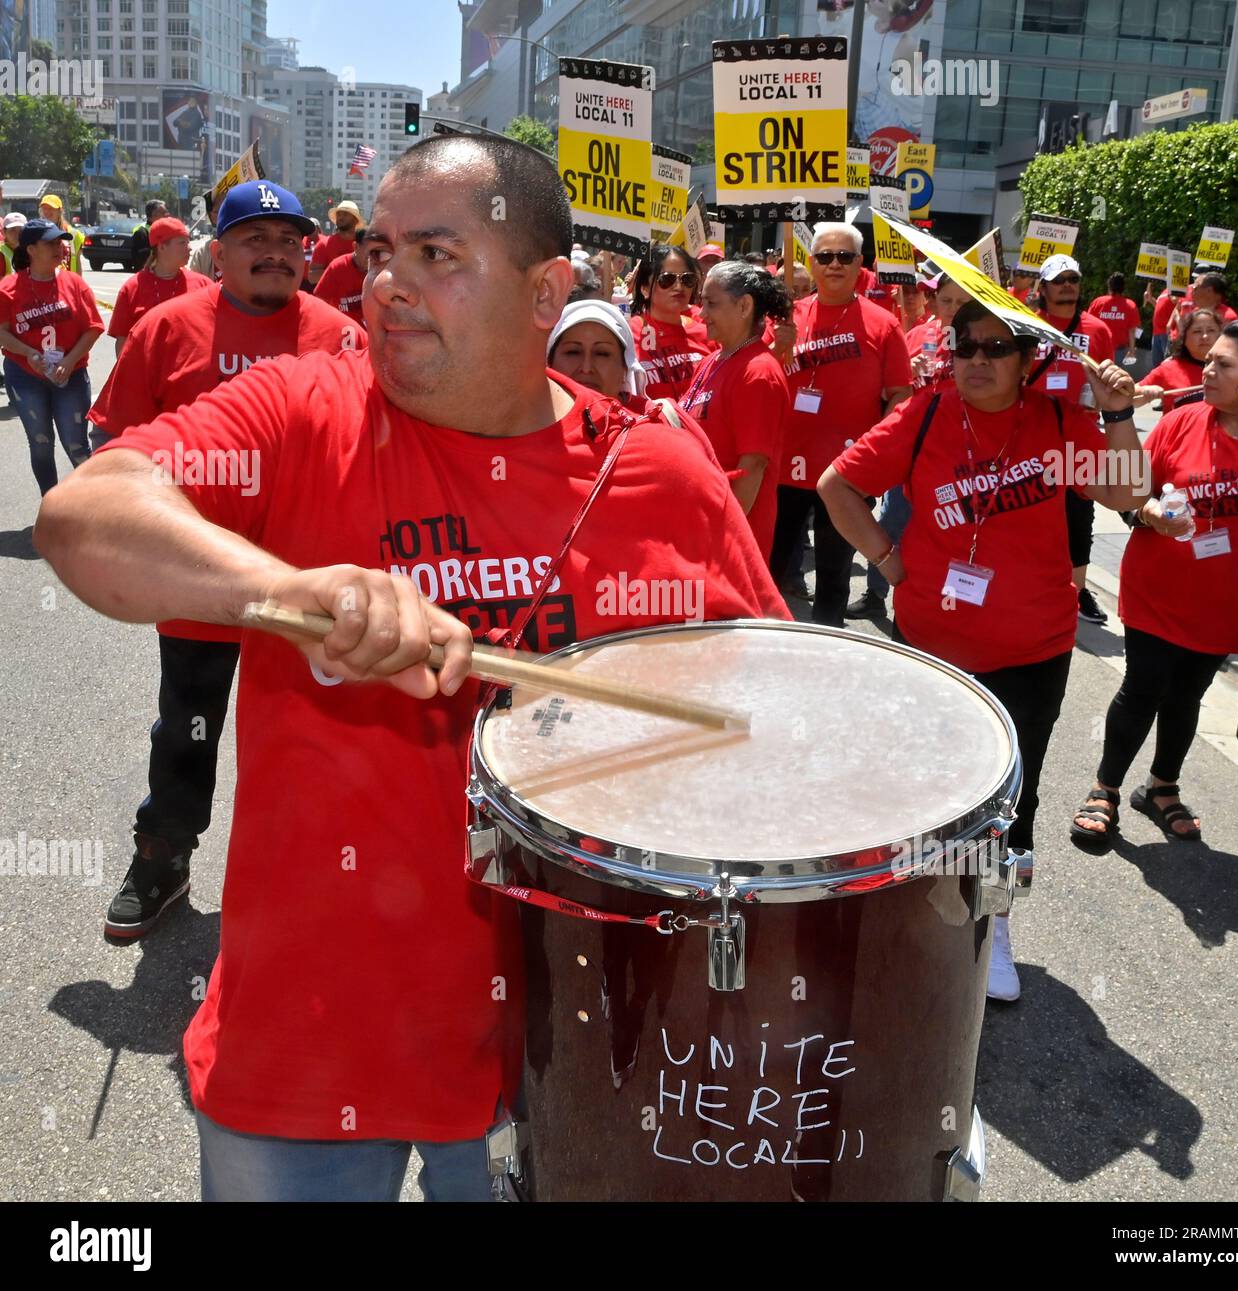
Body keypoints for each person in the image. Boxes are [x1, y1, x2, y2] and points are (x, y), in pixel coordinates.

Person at [34, 132, 785, 1202]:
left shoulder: (659, 467)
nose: (387, 286)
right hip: (310, 1044)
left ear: (547, 292)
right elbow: (84, 519)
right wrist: (294, 593)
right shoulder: (301, 411)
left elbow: (764, 726)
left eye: (437, 254)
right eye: (381, 251)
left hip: (576, 1053)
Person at [818, 300, 1146, 1001]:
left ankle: (988, 924)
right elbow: (837, 484)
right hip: (930, 649)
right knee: (917, 787)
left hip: (1033, 651)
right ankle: (907, 908)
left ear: (1027, 361)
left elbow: (1128, 490)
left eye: (996, 348)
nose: (977, 359)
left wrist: (1116, 414)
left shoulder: (1060, 420)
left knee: (1008, 804)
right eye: (965, 346)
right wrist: (888, 560)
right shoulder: (928, 410)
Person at [85, 180, 367, 943]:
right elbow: (115, 444)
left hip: (310, 584)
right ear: (219, 250)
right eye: (256, 239)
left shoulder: (344, 336)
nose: (276, 254)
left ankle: (319, 874)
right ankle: (164, 855)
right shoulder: (166, 329)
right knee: (189, 725)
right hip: (200, 582)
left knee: (317, 738)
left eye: (290, 241)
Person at [1071, 320, 1238, 850]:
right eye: (1209, 360)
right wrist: (1152, 514)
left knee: (1188, 695)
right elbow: (1132, 494)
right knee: (1143, 688)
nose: (1208, 370)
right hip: (1160, 586)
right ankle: (1105, 788)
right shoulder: (1183, 421)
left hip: (1230, 600)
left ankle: (1161, 787)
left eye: (1224, 365)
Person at [769, 221, 912, 627]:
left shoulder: (883, 324)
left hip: (846, 477)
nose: (834, 264)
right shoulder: (786, 319)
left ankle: (828, 654)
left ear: (860, 264)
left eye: (844, 257)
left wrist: (877, 456)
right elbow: (762, 383)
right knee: (771, 567)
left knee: (834, 575)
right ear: (811, 263)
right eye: (825, 257)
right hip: (786, 470)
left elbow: (900, 395)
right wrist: (778, 349)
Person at [850, 273, 973, 621]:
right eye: (946, 301)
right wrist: (912, 373)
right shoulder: (918, 335)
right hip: (913, 448)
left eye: (961, 302)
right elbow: (894, 389)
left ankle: (948, 600)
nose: (952, 309)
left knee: (951, 529)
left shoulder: (981, 343)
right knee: (891, 519)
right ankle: (876, 591)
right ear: (934, 302)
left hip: (958, 455)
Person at [681, 260, 793, 558]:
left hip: (729, 543)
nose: (701, 314)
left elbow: (751, 467)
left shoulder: (758, 374)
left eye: (711, 304)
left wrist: (721, 535)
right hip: (700, 525)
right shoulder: (713, 360)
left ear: (744, 306)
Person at [1031, 253, 1115, 626]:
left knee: (1079, 516)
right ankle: (1031, 582)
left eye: (1073, 279)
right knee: (1029, 511)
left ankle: (1077, 592)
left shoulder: (1098, 330)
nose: (1067, 285)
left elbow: (1107, 379)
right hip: (1031, 436)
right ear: (1043, 287)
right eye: (1059, 279)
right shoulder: (1026, 324)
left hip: (1078, 439)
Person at [0, 219, 103, 497]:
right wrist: (28, 353)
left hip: (71, 376)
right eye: (51, 243)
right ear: (31, 249)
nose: (59, 247)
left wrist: (69, 361)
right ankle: (52, 504)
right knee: (41, 443)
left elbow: (94, 327)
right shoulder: (9, 288)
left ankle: (93, 506)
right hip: (26, 378)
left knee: (77, 445)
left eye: (61, 242)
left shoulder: (74, 284)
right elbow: (2, 333)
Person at [107, 216, 206, 358]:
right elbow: (122, 340)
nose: (189, 248)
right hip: (145, 375)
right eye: (182, 242)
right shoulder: (132, 287)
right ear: (162, 247)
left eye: (188, 242)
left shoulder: (202, 285)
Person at [628, 244, 715, 400]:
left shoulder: (707, 332)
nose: (678, 286)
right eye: (667, 279)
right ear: (645, 288)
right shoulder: (628, 334)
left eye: (687, 279)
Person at [546, 298, 648, 406]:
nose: (586, 368)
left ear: (625, 368)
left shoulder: (649, 421)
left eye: (602, 354)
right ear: (550, 363)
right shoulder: (528, 421)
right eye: (573, 352)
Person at [1133, 308, 1221, 413]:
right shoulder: (1168, 369)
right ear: (1184, 338)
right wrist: (1145, 392)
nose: (1205, 336)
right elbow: (1130, 397)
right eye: (1197, 331)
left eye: (1211, 330)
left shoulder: (1232, 368)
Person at [313, 230, 367, 324]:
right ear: (356, 247)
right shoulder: (337, 267)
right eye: (368, 252)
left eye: (375, 252)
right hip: (342, 329)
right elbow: (319, 300)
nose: (371, 257)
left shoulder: (377, 267)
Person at [308, 199, 364, 285]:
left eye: (345, 214)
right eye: (339, 214)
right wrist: (339, 271)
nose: (341, 217)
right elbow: (312, 277)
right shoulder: (324, 244)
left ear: (355, 219)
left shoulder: (364, 244)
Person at [1088, 272, 1140, 365]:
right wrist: (1132, 350)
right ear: (1123, 288)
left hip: (1098, 349)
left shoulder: (1097, 303)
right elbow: (1132, 331)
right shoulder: (1130, 305)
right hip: (1120, 351)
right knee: (1115, 378)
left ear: (1109, 286)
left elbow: (1088, 326)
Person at [38, 195, 85, 275]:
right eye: (44, 208)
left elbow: (77, 263)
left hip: (67, 284)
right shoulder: (36, 233)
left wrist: (78, 285)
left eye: (51, 208)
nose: (47, 212)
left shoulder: (73, 234)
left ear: (60, 211)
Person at [130, 200, 169, 272]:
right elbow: (140, 260)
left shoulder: (166, 231)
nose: (167, 215)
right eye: (163, 213)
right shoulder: (141, 232)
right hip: (148, 277)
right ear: (154, 215)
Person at [1144, 280, 1177, 365]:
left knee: (1167, 363)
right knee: (1157, 363)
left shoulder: (1176, 291)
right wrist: (1150, 299)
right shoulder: (1164, 291)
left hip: (1166, 333)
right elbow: (1158, 305)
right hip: (1156, 333)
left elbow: (1178, 303)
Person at [1, 211, 26, 276]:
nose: (17, 234)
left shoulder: (31, 251)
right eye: (13, 230)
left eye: (21, 230)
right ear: (4, 232)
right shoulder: (1, 253)